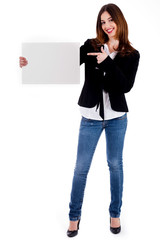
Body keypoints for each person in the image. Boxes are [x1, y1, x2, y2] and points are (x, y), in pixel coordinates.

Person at [19, 3, 140, 237]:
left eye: (110, 20)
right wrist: (31, 64)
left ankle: (115, 214)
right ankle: (74, 217)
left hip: (117, 119)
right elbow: (64, 63)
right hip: (90, 118)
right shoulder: (91, 45)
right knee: (80, 169)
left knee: (115, 165)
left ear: (119, 21)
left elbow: (125, 86)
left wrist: (107, 61)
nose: (107, 25)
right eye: (102, 21)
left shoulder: (131, 54)